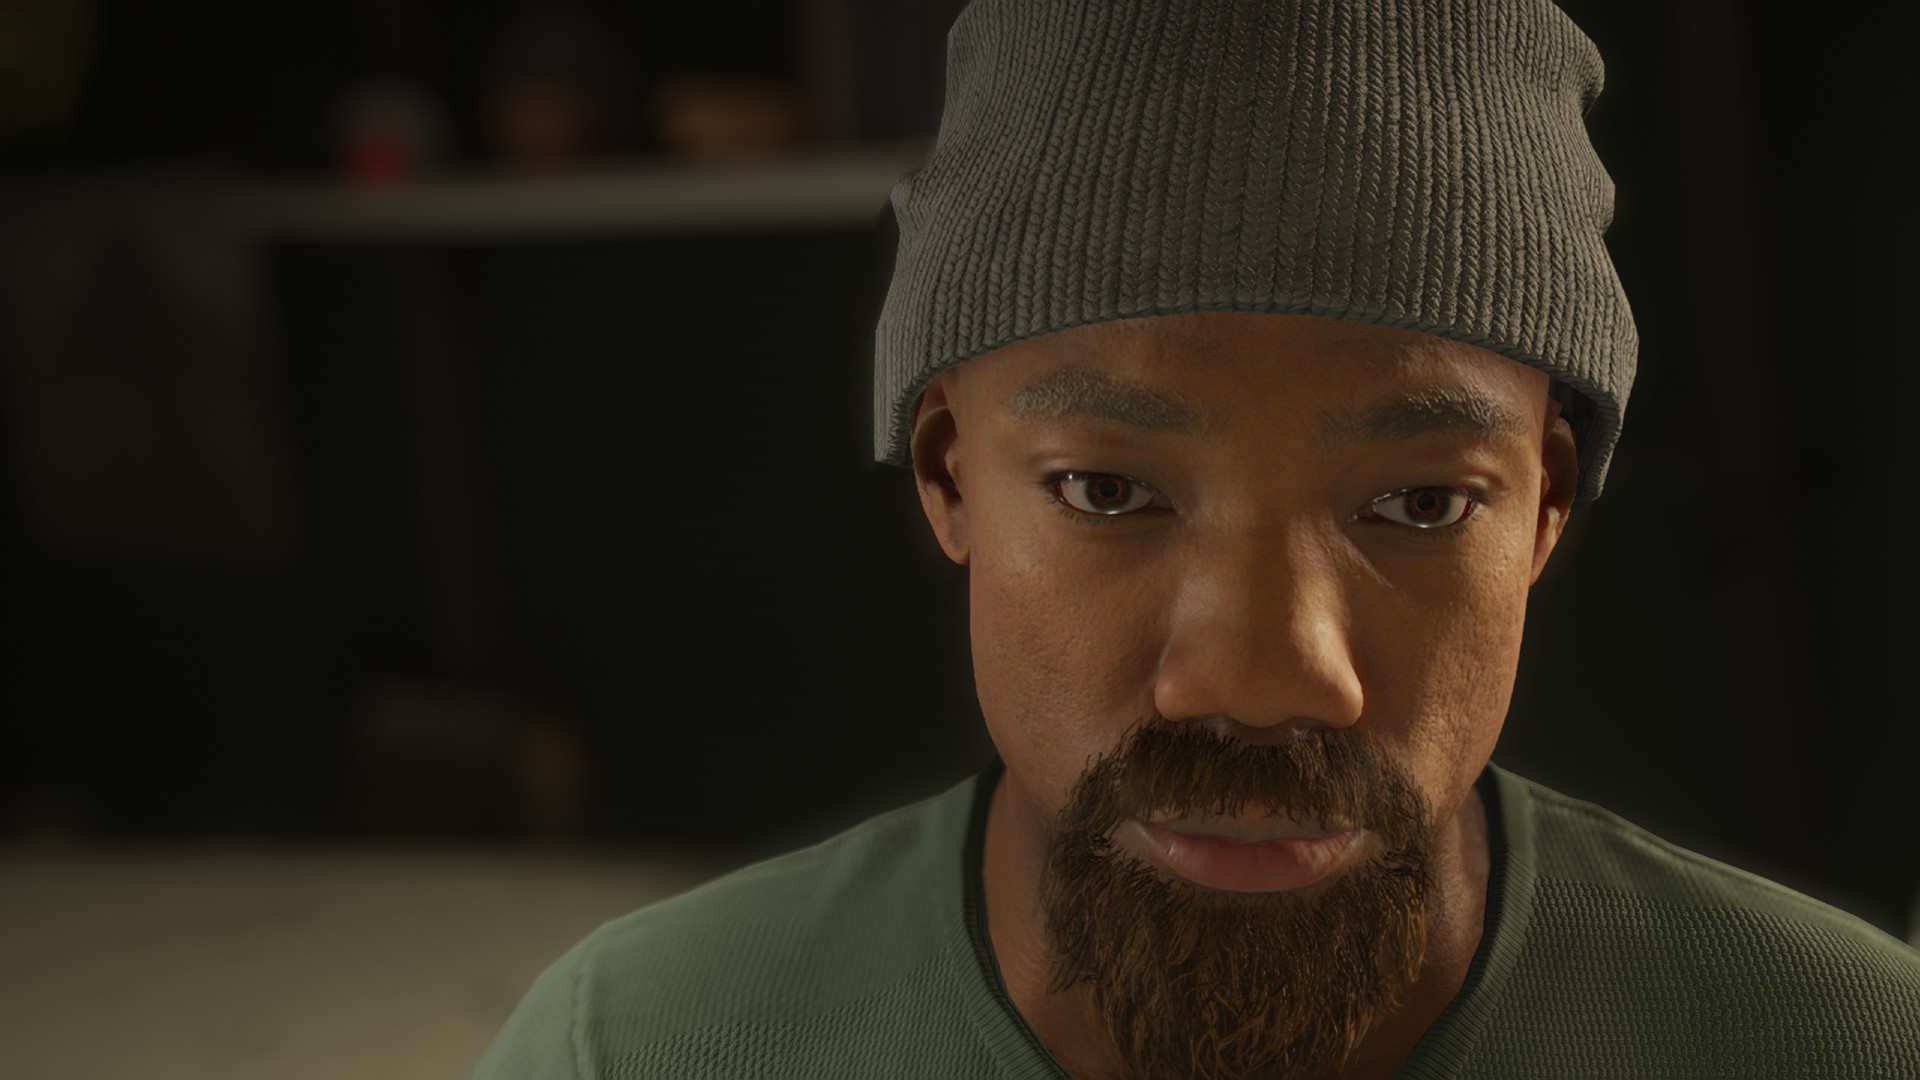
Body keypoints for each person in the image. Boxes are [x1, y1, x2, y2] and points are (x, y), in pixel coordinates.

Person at [474, 1, 1920, 1077]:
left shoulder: (1841, 1050)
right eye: (1109, 493)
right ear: (946, 474)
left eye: (1420, 504)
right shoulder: (640, 1049)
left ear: (1546, 502)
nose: (1264, 673)